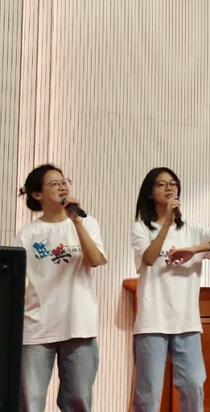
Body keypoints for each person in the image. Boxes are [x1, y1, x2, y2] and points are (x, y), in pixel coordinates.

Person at [131, 167, 210, 412]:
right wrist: (166, 223)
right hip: (152, 321)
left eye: (173, 184)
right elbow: (148, 258)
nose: (169, 188)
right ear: (149, 193)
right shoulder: (141, 228)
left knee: (194, 385)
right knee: (148, 394)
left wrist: (195, 249)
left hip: (187, 323)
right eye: (161, 184)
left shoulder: (192, 230)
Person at [16, 164, 107, 411]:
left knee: (78, 400)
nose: (62, 186)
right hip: (36, 328)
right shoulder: (28, 234)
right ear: (37, 195)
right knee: (29, 401)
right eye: (54, 184)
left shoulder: (87, 223)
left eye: (64, 181)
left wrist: (76, 221)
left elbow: (96, 260)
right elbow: (18, 283)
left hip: (79, 325)